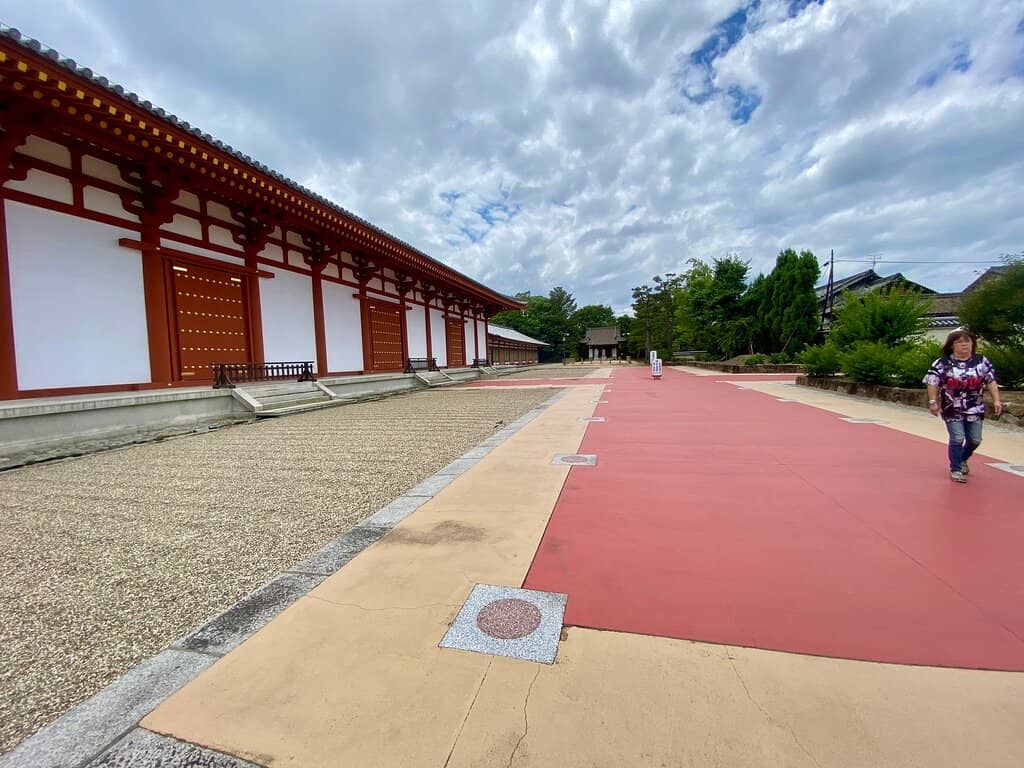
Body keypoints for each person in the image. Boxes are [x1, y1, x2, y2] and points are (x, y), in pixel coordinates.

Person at [923, 329, 1002, 483]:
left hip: (975, 407)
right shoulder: (942, 363)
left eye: (967, 341)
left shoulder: (981, 361)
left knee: (975, 439)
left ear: (973, 343)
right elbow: (932, 382)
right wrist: (933, 401)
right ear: (951, 345)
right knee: (957, 438)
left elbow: (991, 381)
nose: (964, 344)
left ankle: (962, 458)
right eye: (959, 342)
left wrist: (997, 400)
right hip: (952, 407)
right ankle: (956, 469)